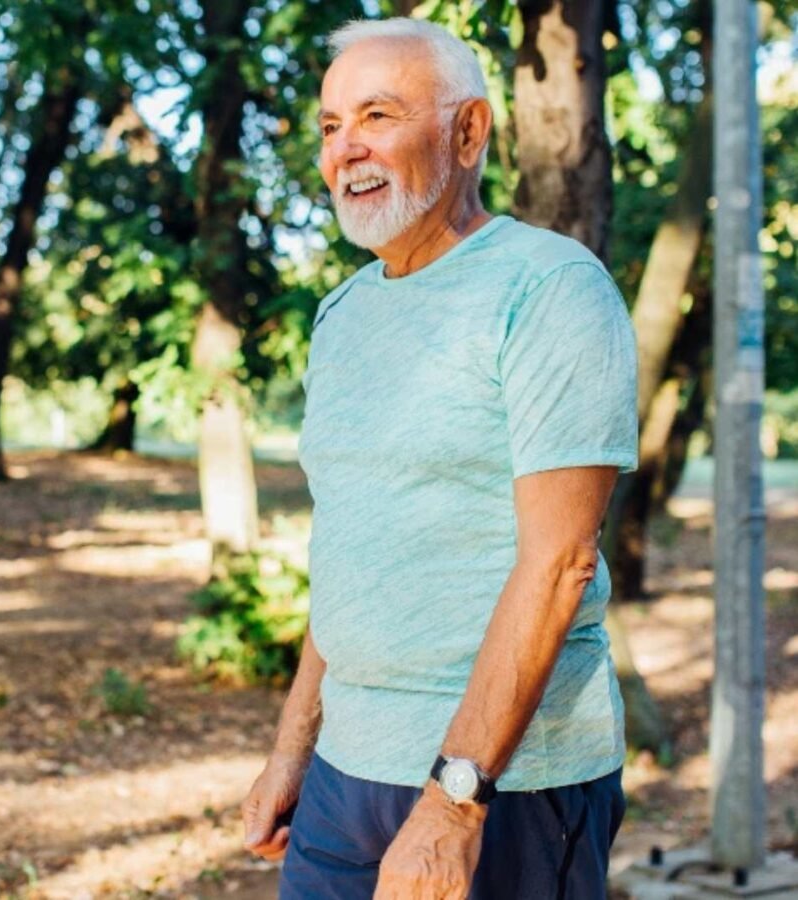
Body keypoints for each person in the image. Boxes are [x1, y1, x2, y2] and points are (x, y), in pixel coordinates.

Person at [241, 17, 638, 900]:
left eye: (378, 115)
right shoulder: (340, 317)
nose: (348, 149)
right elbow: (352, 552)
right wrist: (292, 749)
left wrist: (455, 803)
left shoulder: (550, 288)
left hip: (506, 785)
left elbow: (561, 561)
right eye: (331, 126)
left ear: (468, 132)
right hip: (347, 777)